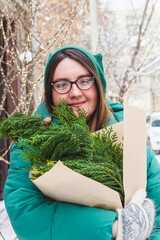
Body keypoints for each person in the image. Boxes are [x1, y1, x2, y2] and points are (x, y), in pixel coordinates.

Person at [4, 46, 160, 240]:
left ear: (99, 85)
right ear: (50, 92)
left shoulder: (130, 138)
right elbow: (26, 212)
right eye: (61, 84)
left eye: (85, 81)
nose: (75, 92)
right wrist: (113, 227)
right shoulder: (33, 143)